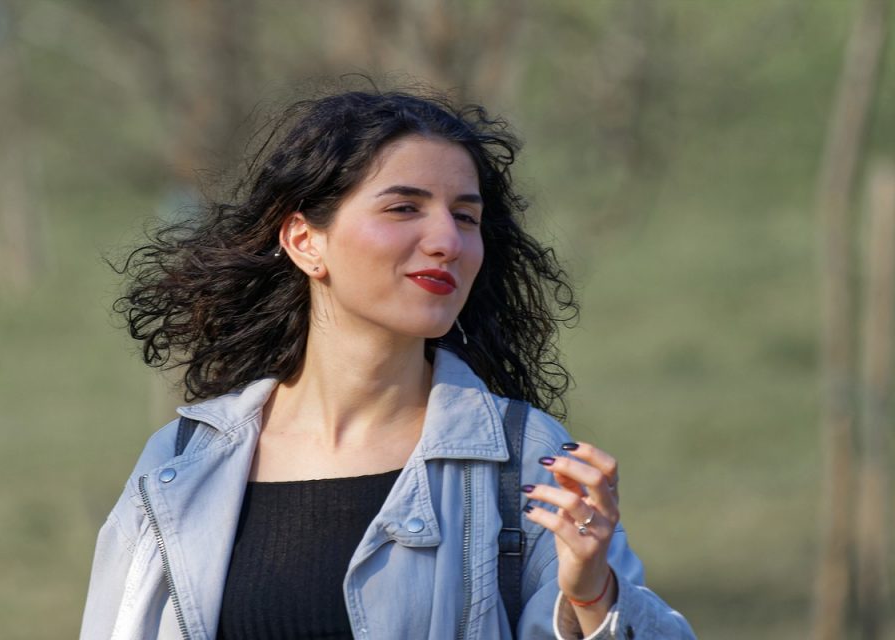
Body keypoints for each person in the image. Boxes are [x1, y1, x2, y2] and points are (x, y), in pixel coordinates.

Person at [80, 87, 696, 639]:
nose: (447, 241)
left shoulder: (524, 462)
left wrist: (592, 598)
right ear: (305, 241)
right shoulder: (181, 464)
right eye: (404, 208)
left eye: (466, 216)